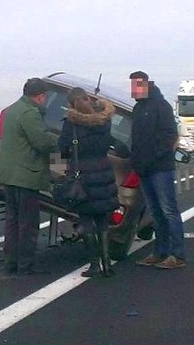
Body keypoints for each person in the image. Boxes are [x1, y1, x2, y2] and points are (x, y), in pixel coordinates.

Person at [0, 78, 59, 275]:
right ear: (40, 96)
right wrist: (60, 143)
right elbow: (41, 142)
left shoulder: (11, 110)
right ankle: (25, 265)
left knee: (12, 221)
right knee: (28, 223)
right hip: (25, 176)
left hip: (9, 174)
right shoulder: (30, 113)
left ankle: (11, 262)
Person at [58, 87, 119, 277]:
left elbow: (62, 149)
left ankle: (94, 265)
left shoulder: (71, 124)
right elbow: (114, 144)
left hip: (82, 176)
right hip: (104, 173)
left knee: (86, 221)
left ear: (71, 104)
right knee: (102, 220)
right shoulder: (105, 121)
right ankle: (107, 264)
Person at [129, 71, 187, 269]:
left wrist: (154, 156)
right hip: (144, 169)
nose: (132, 91)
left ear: (145, 85)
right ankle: (160, 251)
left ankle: (177, 254)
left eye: (135, 86)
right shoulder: (138, 109)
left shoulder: (161, 106)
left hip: (160, 168)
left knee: (168, 210)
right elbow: (136, 139)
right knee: (155, 213)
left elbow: (169, 134)